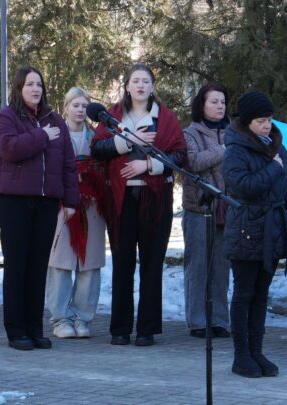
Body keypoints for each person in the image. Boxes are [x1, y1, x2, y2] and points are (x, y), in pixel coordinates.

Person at [91, 63, 187, 347]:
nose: (141, 86)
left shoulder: (166, 118)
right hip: (121, 200)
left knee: (151, 264)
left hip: (154, 199)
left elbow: (180, 155)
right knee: (122, 264)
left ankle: (146, 329)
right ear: (127, 86)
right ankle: (119, 328)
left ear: (152, 87)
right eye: (136, 81)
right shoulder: (112, 117)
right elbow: (97, 149)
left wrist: (147, 165)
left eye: (146, 81)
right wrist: (124, 144)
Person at [224, 91, 287, 378]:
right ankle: (241, 356)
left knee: (261, 295)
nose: (267, 125)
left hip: (273, 231)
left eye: (269, 119)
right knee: (244, 293)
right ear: (247, 122)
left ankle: (256, 350)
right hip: (246, 230)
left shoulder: (278, 149)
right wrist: (273, 170)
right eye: (261, 121)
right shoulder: (236, 149)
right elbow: (242, 186)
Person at [0, 66, 79, 351]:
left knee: (38, 267)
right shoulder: (6, 116)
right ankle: (16, 330)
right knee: (17, 266)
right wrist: (42, 136)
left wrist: (70, 201)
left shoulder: (55, 120)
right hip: (15, 201)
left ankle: (34, 328)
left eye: (39, 84)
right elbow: (9, 149)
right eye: (29, 84)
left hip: (45, 203)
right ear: (19, 88)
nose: (35, 89)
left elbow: (68, 162)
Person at [45, 87, 107, 340]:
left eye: (84, 106)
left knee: (89, 265)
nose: (81, 110)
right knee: (61, 263)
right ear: (66, 107)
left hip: (92, 204)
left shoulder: (96, 137)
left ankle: (83, 318)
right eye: (76, 105)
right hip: (63, 205)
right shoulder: (57, 135)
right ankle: (60, 319)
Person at [181, 84, 232, 338]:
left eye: (222, 102)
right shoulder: (190, 133)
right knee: (198, 266)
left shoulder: (233, 133)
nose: (220, 106)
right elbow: (194, 162)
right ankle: (198, 321)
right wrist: (223, 150)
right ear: (201, 104)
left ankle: (220, 320)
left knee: (222, 268)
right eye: (214, 102)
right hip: (198, 209)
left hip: (227, 209)